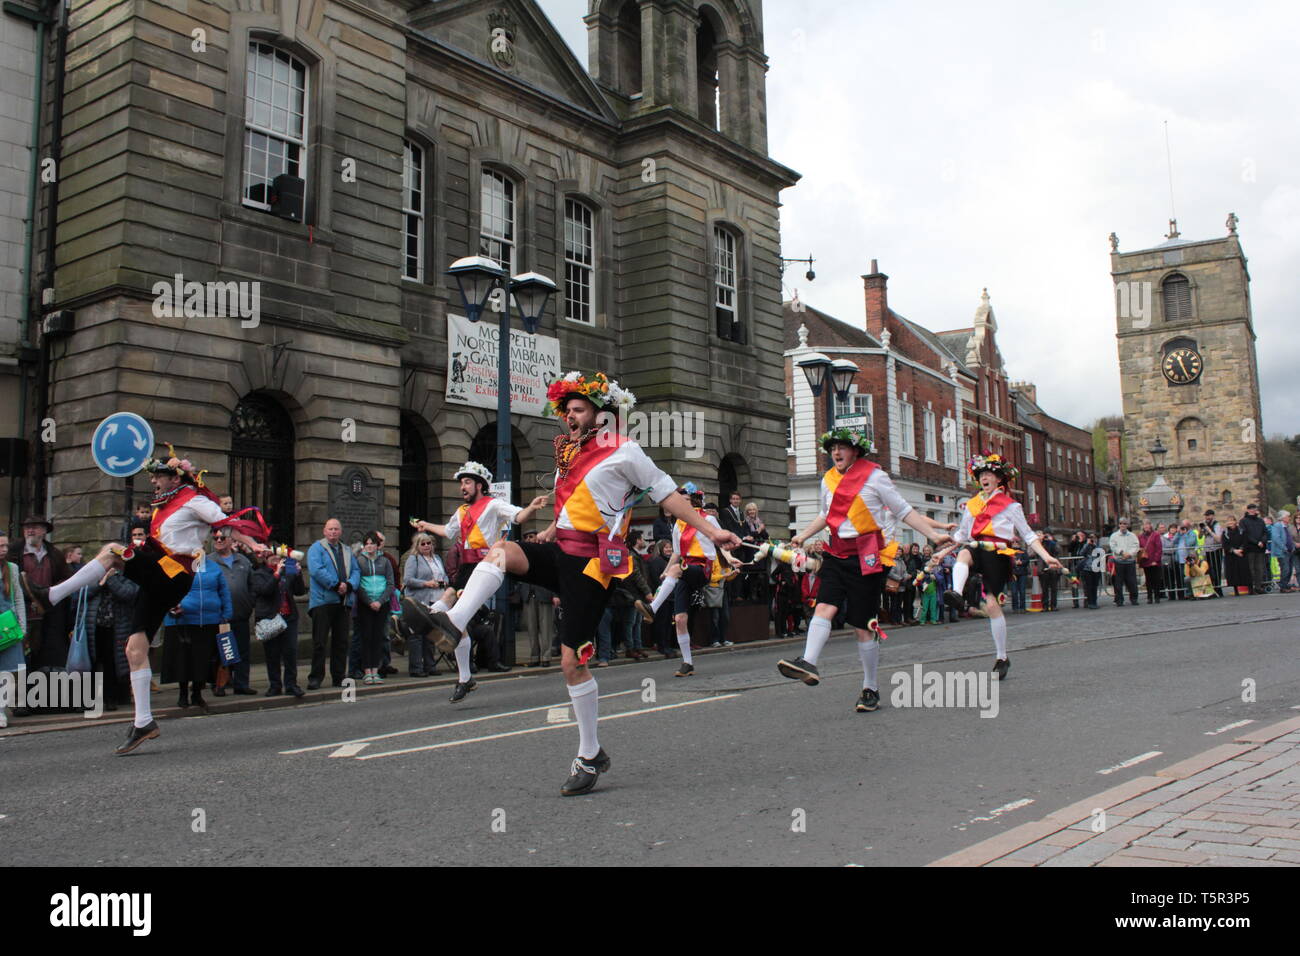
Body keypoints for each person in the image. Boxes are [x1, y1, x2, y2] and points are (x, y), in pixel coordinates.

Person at [427, 369, 738, 795]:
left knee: (572, 662)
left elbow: (667, 495)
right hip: (562, 552)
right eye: (566, 410)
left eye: (578, 409)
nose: (570, 417)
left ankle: (590, 753)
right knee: (502, 550)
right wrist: (550, 534)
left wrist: (714, 530)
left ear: (601, 414)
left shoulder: (625, 451)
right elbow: (573, 510)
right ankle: (454, 620)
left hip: (593, 565)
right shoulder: (568, 457)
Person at [45, 450, 270, 754]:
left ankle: (52, 595)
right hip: (159, 573)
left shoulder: (194, 499)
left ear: (175, 477)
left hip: (175, 574)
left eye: (157, 476)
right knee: (134, 648)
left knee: (113, 550)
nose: (152, 481)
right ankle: (144, 722)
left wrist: (254, 544)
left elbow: (227, 523)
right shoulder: (163, 507)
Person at [777, 427, 953, 710]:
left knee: (863, 626)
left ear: (855, 451)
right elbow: (826, 514)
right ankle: (809, 662)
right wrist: (804, 534)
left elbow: (904, 510)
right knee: (824, 606)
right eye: (833, 448)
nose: (836, 453)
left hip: (867, 557)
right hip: (836, 553)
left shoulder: (875, 476)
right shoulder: (828, 480)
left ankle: (870, 687)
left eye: (842, 447)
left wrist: (934, 536)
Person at [411, 462, 547, 701]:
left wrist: (532, 508)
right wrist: (426, 525)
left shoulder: (493, 504)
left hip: (486, 565)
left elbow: (518, 516)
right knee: (453, 605)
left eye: (467, 482)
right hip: (466, 566)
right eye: (461, 483)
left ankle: (428, 619)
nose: (462, 487)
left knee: (455, 605)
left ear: (479, 485)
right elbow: (447, 531)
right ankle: (464, 676)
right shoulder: (462, 511)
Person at [940, 452, 1061, 679]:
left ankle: (1002, 657)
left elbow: (1028, 535)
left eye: (988, 474)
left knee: (993, 606)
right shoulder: (972, 505)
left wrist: (1046, 557)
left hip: (998, 553)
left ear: (998, 480)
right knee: (964, 554)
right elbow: (962, 536)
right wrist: (942, 552)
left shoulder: (1010, 506)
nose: (984, 478)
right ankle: (955, 593)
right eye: (981, 475)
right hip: (977, 547)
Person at [669, 485, 739, 675]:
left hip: (703, 567)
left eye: (684, 500)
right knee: (680, 618)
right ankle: (687, 663)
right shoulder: (678, 524)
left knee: (678, 569)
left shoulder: (708, 519)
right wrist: (666, 572)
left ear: (693, 501)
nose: (680, 504)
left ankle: (653, 607)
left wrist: (731, 559)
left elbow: (721, 542)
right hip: (684, 569)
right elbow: (676, 553)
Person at [161, 555, 231, 711]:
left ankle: (197, 694)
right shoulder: (174, 564)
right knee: (183, 660)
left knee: (203, 660)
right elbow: (164, 589)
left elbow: (223, 590)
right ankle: (183, 694)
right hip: (183, 621)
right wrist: (171, 606)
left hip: (208, 620)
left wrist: (227, 613)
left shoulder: (213, 567)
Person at [306, 519, 361, 689]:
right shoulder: (316, 548)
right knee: (320, 643)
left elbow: (356, 570)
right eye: (330, 529)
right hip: (323, 601)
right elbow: (316, 570)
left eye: (336, 529)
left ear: (341, 531)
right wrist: (336, 584)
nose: (333, 532)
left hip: (343, 602)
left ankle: (338, 677)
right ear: (324, 531)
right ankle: (315, 677)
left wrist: (350, 585)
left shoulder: (346, 550)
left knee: (341, 642)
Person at [18, 515, 70, 673]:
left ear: (44, 531)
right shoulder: (14, 552)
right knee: (24, 653)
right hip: (23, 609)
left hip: (50, 611)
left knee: (47, 655)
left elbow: (65, 579)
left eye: (35, 527)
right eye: (27, 528)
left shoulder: (54, 554)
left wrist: (50, 593)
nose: (30, 531)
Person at [253, 550, 306, 696]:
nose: (276, 559)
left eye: (278, 557)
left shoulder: (287, 571)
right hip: (270, 618)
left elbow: (300, 591)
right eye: (272, 557)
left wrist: (298, 574)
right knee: (272, 654)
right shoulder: (259, 574)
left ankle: (291, 685)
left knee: (290, 653)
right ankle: (275, 686)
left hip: (289, 617)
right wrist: (276, 574)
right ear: (265, 559)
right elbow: (265, 590)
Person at [211, 528, 257, 696]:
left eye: (223, 538)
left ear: (231, 541)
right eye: (216, 538)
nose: (219, 540)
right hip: (219, 616)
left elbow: (252, 585)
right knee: (220, 651)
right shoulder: (208, 561)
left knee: (243, 651)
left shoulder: (243, 561)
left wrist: (250, 602)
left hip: (241, 614)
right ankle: (220, 685)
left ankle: (241, 684)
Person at [400, 533, 448, 677]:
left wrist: (444, 581)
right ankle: (416, 668)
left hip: (436, 600)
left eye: (429, 543)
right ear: (417, 546)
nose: (426, 546)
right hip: (419, 601)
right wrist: (426, 583)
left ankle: (430, 666)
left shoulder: (437, 558)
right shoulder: (413, 559)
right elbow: (408, 580)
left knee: (431, 634)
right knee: (417, 635)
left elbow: (444, 575)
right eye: (423, 544)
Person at [353, 532, 393, 685]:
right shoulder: (359, 561)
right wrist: (369, 602)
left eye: (372, 543)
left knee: (378, 637)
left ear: (377, 545)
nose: (370, 546)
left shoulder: (385, 561)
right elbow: (358, 584)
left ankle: (376, 670)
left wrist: (380, 601)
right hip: (365, 605)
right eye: (367, 543)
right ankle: (366, 671)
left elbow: (390, 583)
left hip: (382, 605)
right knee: (366, 637)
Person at [0, 532, 29, 729]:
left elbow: (18, 599)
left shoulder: (11, 568)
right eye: (0, 546)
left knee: (7, 672)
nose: (4, 550)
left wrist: (22, 627)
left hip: (7, 627)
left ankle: (1, 710)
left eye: (5, 546)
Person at [1107, 517, 1141, 607]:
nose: (1123, 525)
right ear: (1119, 525)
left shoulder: (1132, 535)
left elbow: (1136, 546)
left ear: (1127, 525)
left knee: (1132, 582)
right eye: (1121, 523)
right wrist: (1121, 552)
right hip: (1119, 561)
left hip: (1130, 561)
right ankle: (1119, 600)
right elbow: (1113, 546)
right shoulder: (1114, 536)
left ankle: (1134, 599)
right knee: (1118, 583)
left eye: (1125, 523)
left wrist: (1129, 554)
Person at [1238, 504, 1269, 594]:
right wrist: (1256, 542)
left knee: (1259, 568)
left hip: (1260, 548)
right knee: (1250, 569)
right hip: (1250, 548)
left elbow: (1265, 532)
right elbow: (1245, 534)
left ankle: (1258, 587)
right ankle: (1250, 588)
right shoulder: (1243, 521)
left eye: (1254, 509)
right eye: (1251, 509)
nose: (1252, 510)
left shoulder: (1260, 521)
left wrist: (1262, 541)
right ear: (1247, 510)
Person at [1221, 516, 1252, 595]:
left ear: (1235, 522)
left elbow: (1245, 541)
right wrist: (1234, 551)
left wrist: (1241, 549)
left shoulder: (1242, 531)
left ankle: (1250, 589)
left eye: (1232, 521)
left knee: (1245, 571)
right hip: (1231, 555)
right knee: (1233, 572)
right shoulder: (1225, 533)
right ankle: (1236, 589)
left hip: (1242, 554)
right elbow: (1225, 544)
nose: (1230, 523)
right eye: (1228, 521)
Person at [1138, 519, 1164, 604]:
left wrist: (1156, 560)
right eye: (1144, 525)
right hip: (1146, 561)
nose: (1146, 526)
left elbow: (1158, 548)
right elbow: (1139, 547)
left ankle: (1157, 596)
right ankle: (1149, 597)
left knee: (1156, 579)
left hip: (1154, 561)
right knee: (1148, 580)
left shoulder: (1155, 535)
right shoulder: (1140, 536)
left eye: (1147, 524)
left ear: (1150, 526)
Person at [1268, 512, 1294, 593]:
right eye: (1287, 516)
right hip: (1282, 551)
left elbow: (1290, 537)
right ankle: (1282, 586)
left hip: (1290, 551)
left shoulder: (1287, 526)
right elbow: (1276, 538)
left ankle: (1286, 585)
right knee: (1285, 569)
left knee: (1289, 569)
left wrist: (1292, 547)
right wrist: (1284, 547)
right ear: (1282, 518)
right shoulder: (1277, 526)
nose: (1289, 518)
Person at [1081, 533, 1104, 609]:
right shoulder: (1086, 545)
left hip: (1096, 568)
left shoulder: (1098, 546)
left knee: (1094, 586)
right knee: (1089, 587)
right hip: (1087, 568)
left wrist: (1094, 545)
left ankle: (1094, 602)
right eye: (1090, 537)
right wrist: (1088, 544)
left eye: (1093, 537)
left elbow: (1101, 553)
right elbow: (1082, 553)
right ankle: (1090, 603)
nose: (1092, 539)